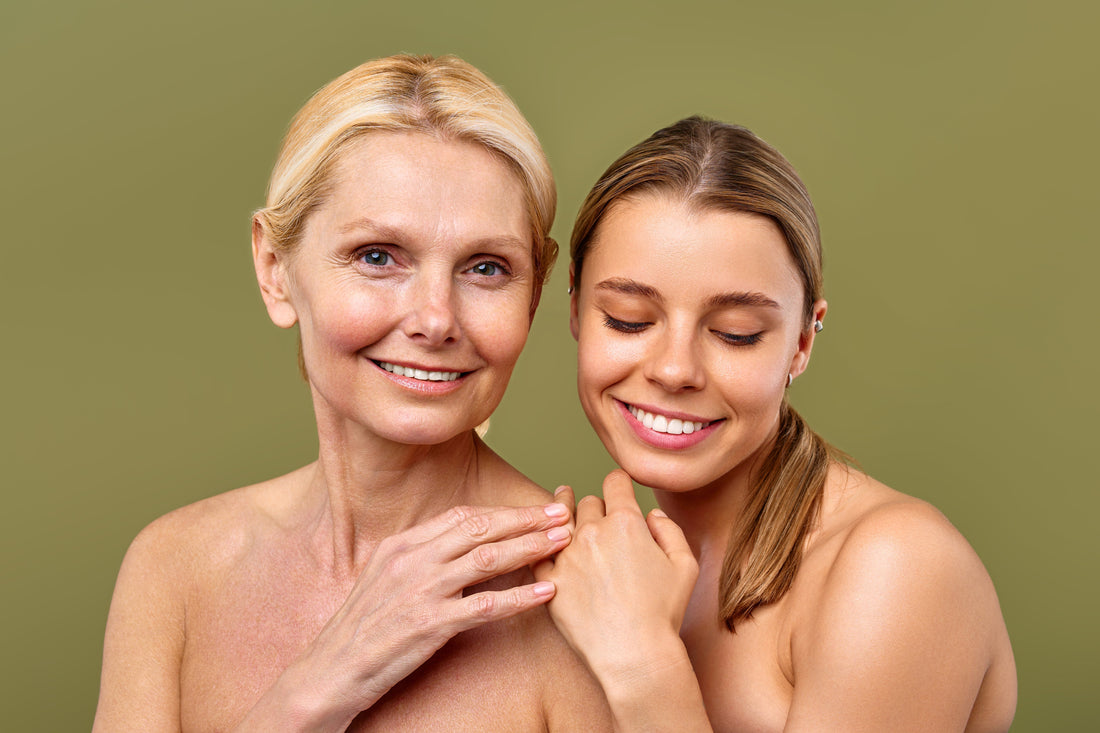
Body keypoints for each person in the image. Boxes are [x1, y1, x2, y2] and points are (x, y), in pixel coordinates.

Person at [92, 54, 611, 732]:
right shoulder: (174, 570)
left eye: (486, 268)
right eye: (377, 256)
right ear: (275, 270)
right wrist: (314, 692)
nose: (434, 318)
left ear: (535, 291)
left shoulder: (581, 600)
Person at [536, 116, 1016, 732]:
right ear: (576, 308)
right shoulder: (610, 571)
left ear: (801, 342)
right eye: (629, 319)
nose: (675, 369)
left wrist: (643, 665)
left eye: (737, 333)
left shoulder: (897, 567)